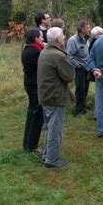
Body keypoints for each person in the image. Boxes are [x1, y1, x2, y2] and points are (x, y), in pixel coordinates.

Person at [37, 27, 75, 169]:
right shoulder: (58, 55)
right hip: (55, 96)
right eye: (63, 37)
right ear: (58, 39)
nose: (64, 39)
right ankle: (52, 160)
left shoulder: (45, 51)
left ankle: (47, 155)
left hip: (46, 94)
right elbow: (69, 76)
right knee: (55, 129)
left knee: (50, 127)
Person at [21, 27, 45, 153]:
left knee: (32, 113)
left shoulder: (29, 48)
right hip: (34, 86)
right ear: (36, 38)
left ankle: (28, 142)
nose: (43, 39)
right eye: (41, 36)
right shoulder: (35, 52)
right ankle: (32, 145)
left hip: (31, 84)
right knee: (37, 114)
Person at [66, 21, 91, 116]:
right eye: (88, 27)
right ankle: (78, 110)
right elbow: (69, 55)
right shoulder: (73, 40)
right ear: (82, 30)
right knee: (80, 89)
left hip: (87, 68)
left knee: (85, 88)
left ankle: (83, 106)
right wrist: (78, 65)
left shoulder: (86, 39)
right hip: (79, 69)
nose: (89, 29)